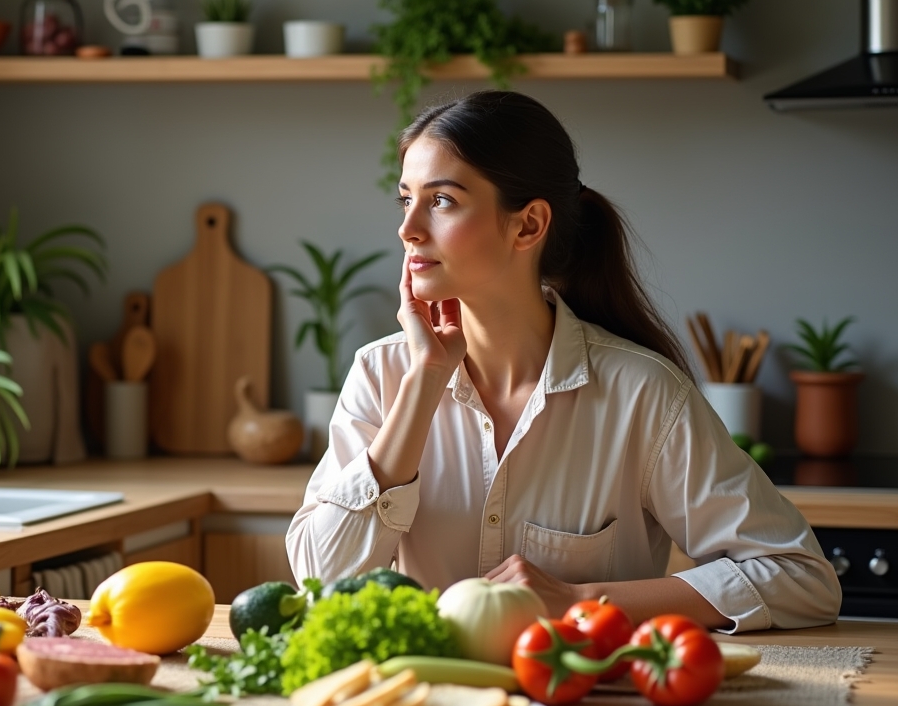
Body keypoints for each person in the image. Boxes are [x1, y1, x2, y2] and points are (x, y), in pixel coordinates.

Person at [286, 91, 840, 632]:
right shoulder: (381, 374)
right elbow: (320, 582)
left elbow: (800, 578)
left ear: (527, 225)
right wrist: (425, 381)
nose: (408, 229)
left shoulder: (644, 393)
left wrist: (578, 598)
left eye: (442, 200)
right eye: (406, 199)